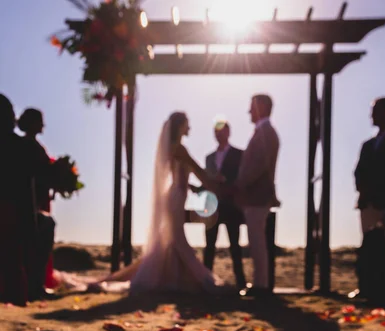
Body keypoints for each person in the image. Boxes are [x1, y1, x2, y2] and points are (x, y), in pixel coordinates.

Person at [85, 112, 225, 294]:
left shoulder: (174, 148)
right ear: (181, 125)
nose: (190, 127)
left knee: (173, 239)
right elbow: (199, 171)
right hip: (175, 197)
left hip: (176, 194)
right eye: (187, 124)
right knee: (178, 239)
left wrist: (196, 186)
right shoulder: (180, 149)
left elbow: (183, 175)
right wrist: (216, 183)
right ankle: (204, 280)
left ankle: (179, 277)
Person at [354, 98, 385, 303]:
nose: (371, 115)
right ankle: (367, 287)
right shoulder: (368, 145)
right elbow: (359, 171)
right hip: (367, 203)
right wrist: (362, 193)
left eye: (375, 111)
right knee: (368, 245)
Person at [235, 94, 280, 298]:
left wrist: (241, 185)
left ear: (262, 107)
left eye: (252, 107)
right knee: (256, 241)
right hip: (255, 196)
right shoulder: (263, 132)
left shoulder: (266, 133)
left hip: (257, 196)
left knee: (257, 241)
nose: (249, 112)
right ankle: (260, 282)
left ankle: (261, 285)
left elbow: (259, 166)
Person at [0, 94, 36, 305]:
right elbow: (25, 188)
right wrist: (30, 223)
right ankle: (16, 298)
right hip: (12, 213)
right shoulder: (22, 147)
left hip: (11, 211)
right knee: (13, 260)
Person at [201, 121, 246, 290]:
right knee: (209, 245)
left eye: (222, 131)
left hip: (231, 205)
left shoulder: (239, 154)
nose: (219, 135)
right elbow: (206, 181)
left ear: (229, 132)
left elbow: (242, 178)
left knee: (235, 245)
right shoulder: (209, 158)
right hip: (212, 206)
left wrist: (227, 182)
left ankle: (240, 281)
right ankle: (206, 281)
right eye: (216, 132)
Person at [18, 108, 57, 298]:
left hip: (31, 203)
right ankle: (35, 285)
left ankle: (34, 284)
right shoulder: (28, 146)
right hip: (25, 206)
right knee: (43, 230)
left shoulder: (28, 145)